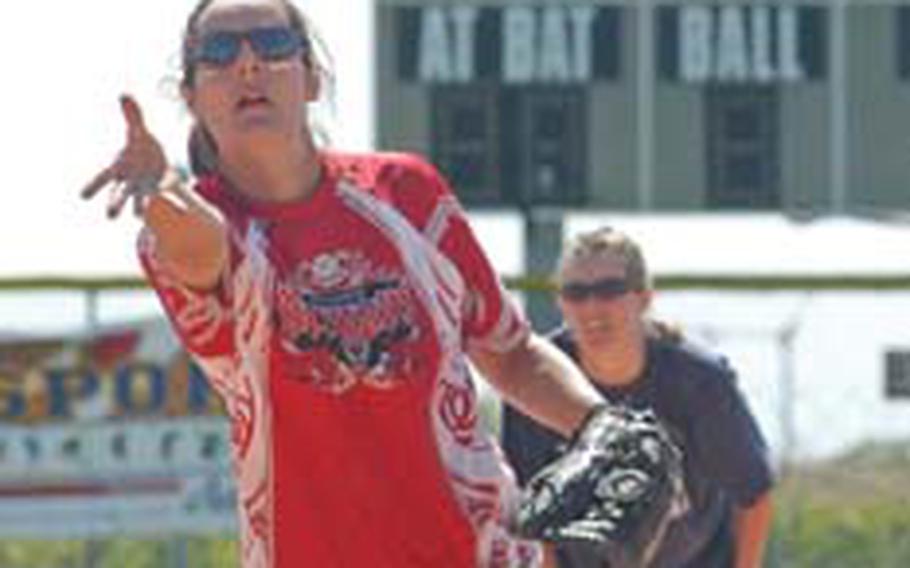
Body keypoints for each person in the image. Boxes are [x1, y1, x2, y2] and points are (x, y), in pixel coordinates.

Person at [79, 1, 616, 566]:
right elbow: (198, 249)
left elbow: (512, 355)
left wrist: (605, 425)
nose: (247, 65)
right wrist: (160, 193)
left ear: (312, 78)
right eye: (217, 52)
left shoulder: (405, 193)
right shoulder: (195, 227)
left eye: (271, 44)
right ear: (190, 95)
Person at [502, 227, 775, 568]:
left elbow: (753, 493)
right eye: (576, 292)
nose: (592, 307)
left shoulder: (698, 382)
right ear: (561, 302)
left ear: (643, 297)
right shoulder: (538, 377)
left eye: (609, 290)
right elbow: (527, 513)